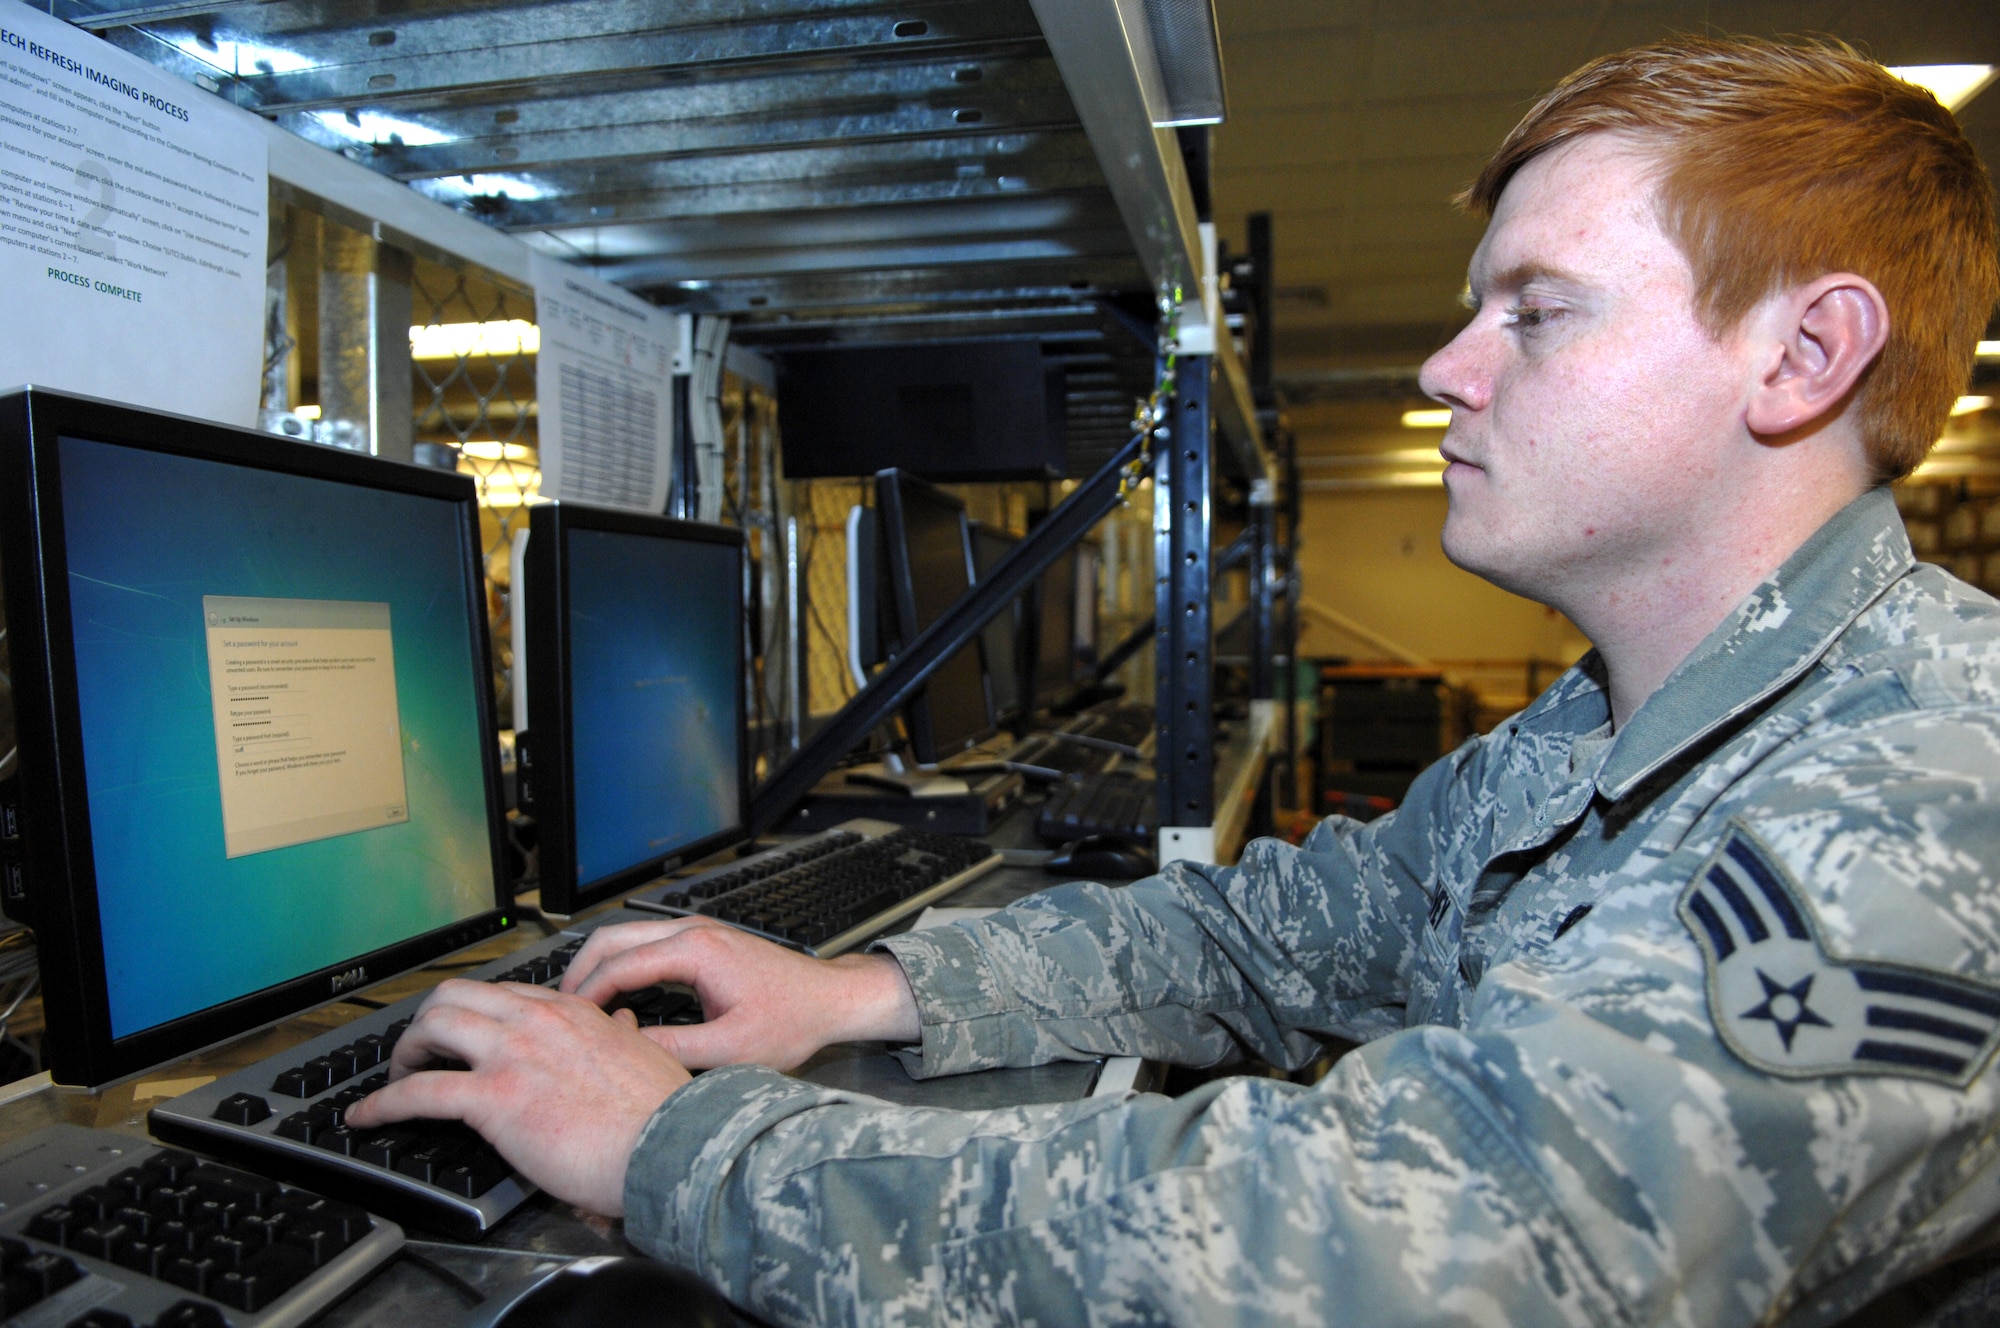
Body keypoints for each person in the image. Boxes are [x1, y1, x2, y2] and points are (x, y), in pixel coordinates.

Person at [346, 35, 2000, 1326]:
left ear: (1803, 358)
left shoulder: (1918, 781)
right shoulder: (1605, 725)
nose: (1448, 364)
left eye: (1538, 309)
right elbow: (1277, 933)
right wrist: (875, 993)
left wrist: (670, 1150)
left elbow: (1418, 1255)